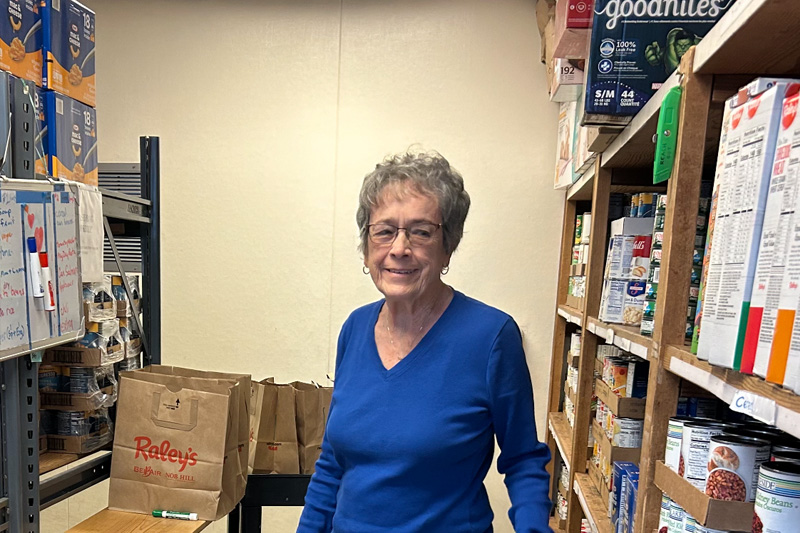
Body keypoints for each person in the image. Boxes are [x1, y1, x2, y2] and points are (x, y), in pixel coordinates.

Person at [297, 150, 552, 533]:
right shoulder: (355, 328)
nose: (399, 248)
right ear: (367, 249)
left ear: (447, 245)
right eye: (384, 231)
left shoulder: (490, 336)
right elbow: (333, 461)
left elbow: (523, 460)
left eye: (420, 231)